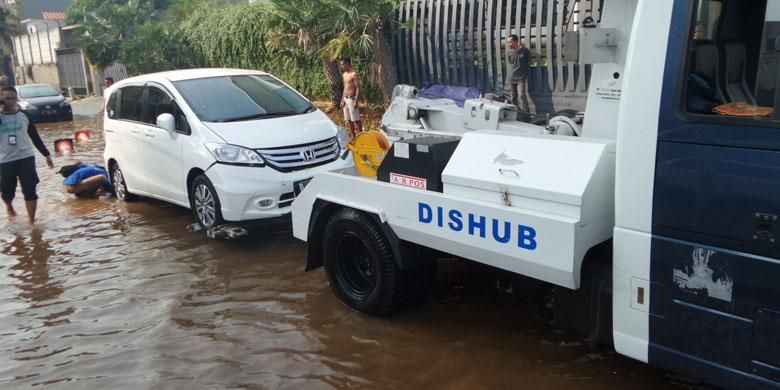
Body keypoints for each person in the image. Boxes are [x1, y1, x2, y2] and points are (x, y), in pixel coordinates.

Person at [0, 86, 54, 224]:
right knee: (7, 192)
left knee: (30, 190)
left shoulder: (24, 116)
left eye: (13, 98)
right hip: (5, 160)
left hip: (26, 158)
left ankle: (31, 221)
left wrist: (46, 155)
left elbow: (34, 136)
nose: (10, 102)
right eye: (7, 98)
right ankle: (9, 206)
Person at [506, 34, 532, 113]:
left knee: (522, 96)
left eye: (510, 42)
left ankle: (527, 114)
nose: (508, 44)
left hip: (521, 78)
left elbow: (529, 61)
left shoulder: (525, 50)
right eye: (508, 42)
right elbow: (511, 62)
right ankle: (516, 113)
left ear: (515, 41)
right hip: (511, 78)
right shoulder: (509, 53)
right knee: (513, 97)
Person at [339, 56, 363, 138]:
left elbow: (358, 87)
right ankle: (353, 136)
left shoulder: (353, 74)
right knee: (348, 120)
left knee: (356, 120)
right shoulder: (344, 75)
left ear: (347, 63)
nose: (342, 67)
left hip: (352, 99)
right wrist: (342, 99)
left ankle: (361, 136)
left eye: (342, 65)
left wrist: (356, 100)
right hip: (346, 99)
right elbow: (345, 88)